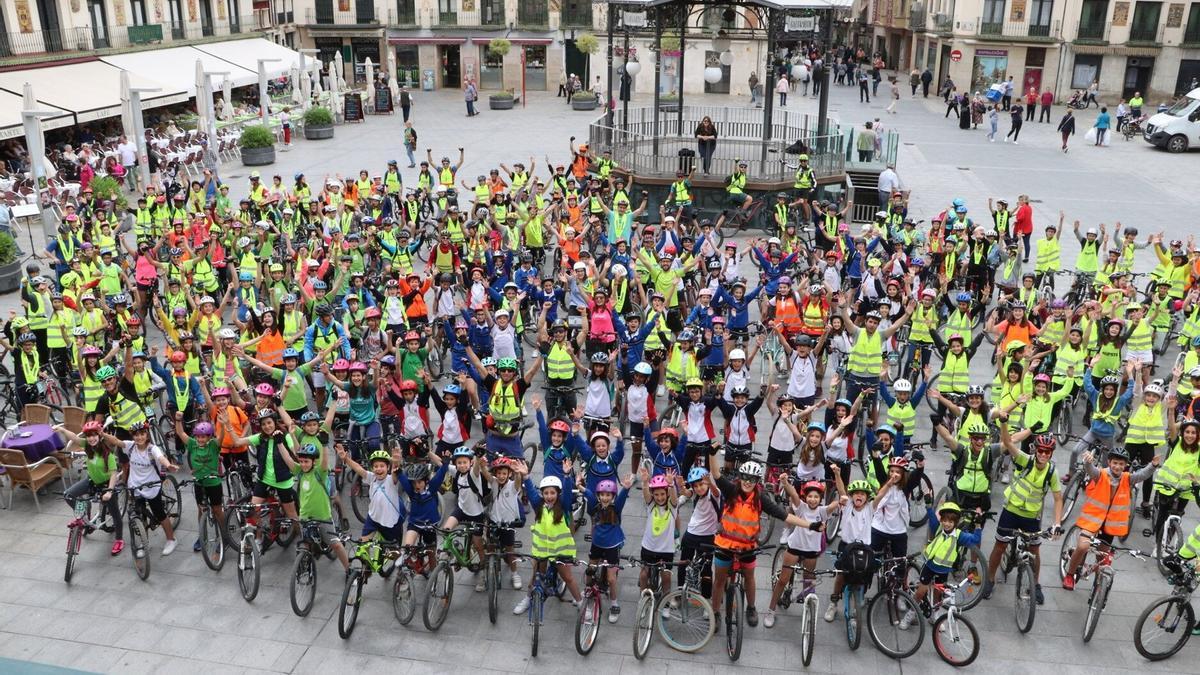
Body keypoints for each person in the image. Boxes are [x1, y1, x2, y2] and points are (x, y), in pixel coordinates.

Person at [1061, 446, 1160, 589]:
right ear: (1109, 462)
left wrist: (1153, 465)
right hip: (1092, 520)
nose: (1117, 466)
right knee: (1083, 546)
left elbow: (1142, 475)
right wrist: (1088, 462)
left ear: (1126, 465)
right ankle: (1070, 574)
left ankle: (1098, 589)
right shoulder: (1100, 474)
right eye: (1115, 463)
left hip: (1110, 525)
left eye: (1121, 464)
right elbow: (1091, 470)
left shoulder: (1127, 478)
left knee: (1103, 559)